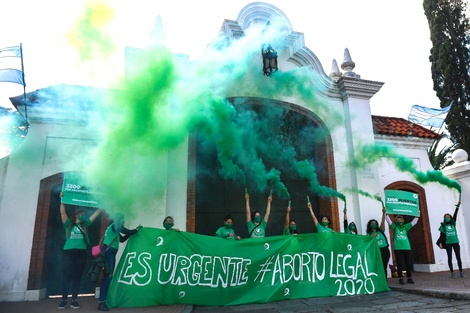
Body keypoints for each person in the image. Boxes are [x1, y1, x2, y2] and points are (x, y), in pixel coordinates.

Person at [58, 192, 102, 310]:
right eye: (80, 214)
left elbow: (95, 215)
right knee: (66, 277)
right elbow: (62, 212)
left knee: (77, 277)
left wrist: (102, 204)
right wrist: (63, 199)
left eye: (83, 213)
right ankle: (63, 300)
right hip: (68, 252)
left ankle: (74, 300)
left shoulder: (86, 224)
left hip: (81, 253)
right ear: (75, 215)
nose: (83, 215)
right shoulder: (69, 224)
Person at [98, 213, 142, 311]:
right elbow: (127, 231)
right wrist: (136, 230)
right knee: (108, 276)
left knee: (108, 276)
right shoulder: (114, 226)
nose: (124, 221)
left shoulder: (114, 229)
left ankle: (103, 301)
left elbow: (121, 239)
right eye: (122, 219)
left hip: (110, 253)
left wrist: (130, 234)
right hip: (109, 253)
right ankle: (101, 302)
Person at [386, 212, 419, 285]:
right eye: (398, 220)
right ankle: (400, 278)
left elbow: (414, 222)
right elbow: (388, 220)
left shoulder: (405, 227)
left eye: (401, 220)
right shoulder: (394, 227)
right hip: (397, 248)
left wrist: (417, 214)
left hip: (407, 247)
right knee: (400, 263)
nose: (399, 221)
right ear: (395, 221)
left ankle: (409, 277)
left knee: (408, 263)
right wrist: (385, 212)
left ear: (403, 221)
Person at [437, 201, 465, 278]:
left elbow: (455, 215)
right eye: (445, 217)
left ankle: (461, 272)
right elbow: (441, 235)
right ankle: (452, 272)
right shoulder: (443, 226)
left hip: (455, 242)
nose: (447, 218)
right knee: (450, 257)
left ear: (450, 218)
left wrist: (457, 207)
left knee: (458, 257)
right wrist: (440, 242)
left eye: (448, 217)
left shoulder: (453, 223)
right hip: (448, 243)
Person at [366, 206, 390, 277]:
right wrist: (371, 237)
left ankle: (385, 282)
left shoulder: (380, 231)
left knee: (384, 266)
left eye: (375, 223)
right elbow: (367, 242)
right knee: (379, 267)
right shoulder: (369, 234)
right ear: (370, 225)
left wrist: (384, 213)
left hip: (385, 250)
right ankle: (379, 281)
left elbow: (383, 222)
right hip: (377, 251)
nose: (374, 224)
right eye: (372, 223)